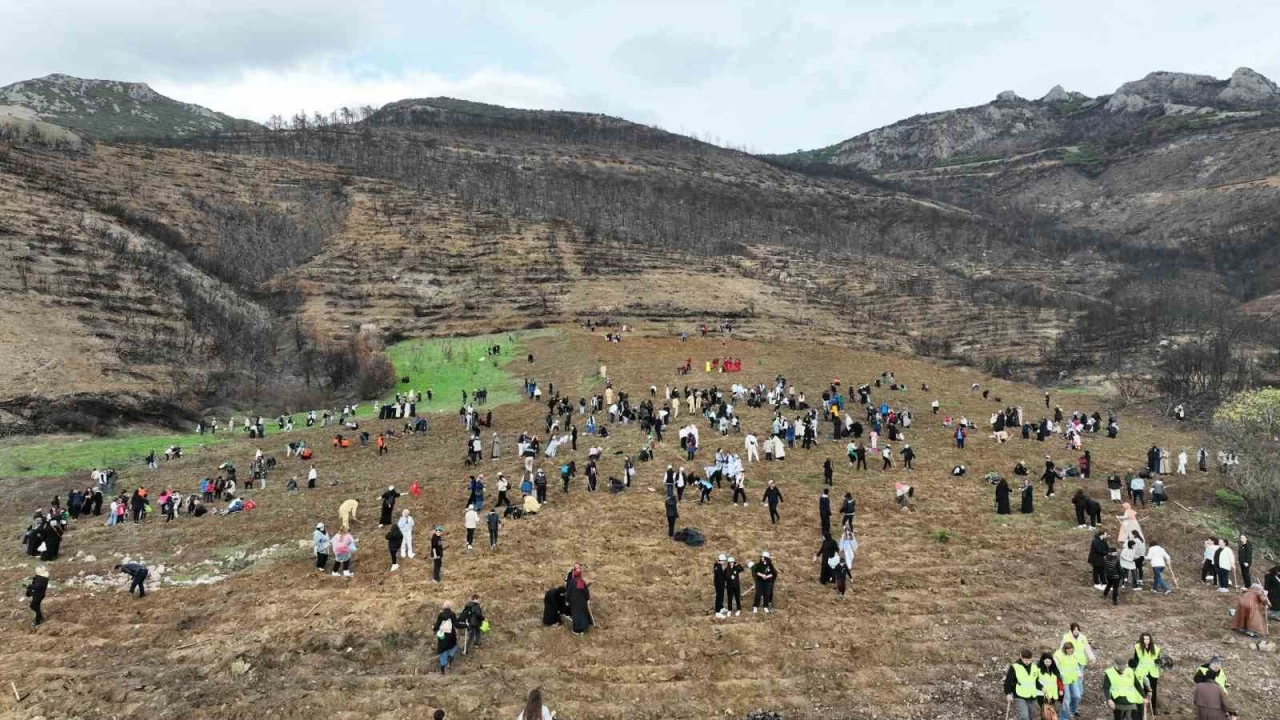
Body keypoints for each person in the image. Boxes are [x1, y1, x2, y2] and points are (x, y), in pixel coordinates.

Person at [1102, 655, 1147, 720]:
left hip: (1131, 702)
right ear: (1115, 665)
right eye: (1121, 668)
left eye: (1124, 667)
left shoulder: (1130, 671)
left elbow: (1137, 685)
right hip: (1118, 704)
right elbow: (1106, 687)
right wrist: (1109, 700)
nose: (1123, 670)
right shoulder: (1109, 673)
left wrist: (1144, 697)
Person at [1003, 648, 1041, 720]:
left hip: (1032, 696)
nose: (1027, 662)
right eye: (1025, 660)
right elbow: (1008, 682)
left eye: (1029, 660)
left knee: (1033, 717)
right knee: (1024, 717)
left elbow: (1036, 681)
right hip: (1020, 695)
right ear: (1021, 657)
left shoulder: (1034, 667)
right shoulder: (1015, 667)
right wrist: (1008, 693)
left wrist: (1042, 687)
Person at [1131, 633, 1162, 715]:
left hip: (1153, 673)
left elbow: (1158, 660)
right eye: (1144, 639)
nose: (1146, 641)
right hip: (1142, 673)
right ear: (1142, 639)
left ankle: (1154, 709)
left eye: (1148, 639)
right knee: (1142, 691)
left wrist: (1158, 662)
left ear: (1150, 639)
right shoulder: (1138, 647)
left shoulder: (1156, 648)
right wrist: (1132, 669)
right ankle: (1140, 709)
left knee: (1153, 691)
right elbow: (1136, 659)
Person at [1055, 641, 1083, 720]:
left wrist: (1079, 673)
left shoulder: (1073, 654)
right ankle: (1063, 716)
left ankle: (1072, 711)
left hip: (1073, 678)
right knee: (1066, 699)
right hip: (1063, 680)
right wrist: (1060, 675)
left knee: (1077, 696)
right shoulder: (1058, 655)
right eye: (1068, 650)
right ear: (1065, 649)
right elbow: (1055, 667)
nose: (1070, 652)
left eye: (1071, 650)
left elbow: (1076, 665)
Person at [566, 564, 593, 635]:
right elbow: (586, 591)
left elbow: (568, 592)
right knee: (582, 615)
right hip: (582, 601)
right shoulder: (582, 581)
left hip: (574, 602)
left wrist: (567, 600)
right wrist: (587, 599)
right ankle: (582, 630)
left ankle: (576, 631)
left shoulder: (572, 582)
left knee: (576, 615)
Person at [434, 601, 458, 674]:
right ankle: (450, 659)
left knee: (443, 651)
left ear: (443, 607)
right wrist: (466, 625)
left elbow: (436, 626)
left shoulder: (440, 615)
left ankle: (442, 670)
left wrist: (435, 629)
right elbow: (456, 625)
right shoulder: (452, 614)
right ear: (450, 607)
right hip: (451, 636)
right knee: (453, 646)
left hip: (442, 636)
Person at [1037, 652, 1063, 720]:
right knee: (1045, 712)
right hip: (1042, 694)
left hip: (1052, 694)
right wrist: (1041, 687)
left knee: (1049, 712)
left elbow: (1059, 680)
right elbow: (1035, 681)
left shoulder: (1054, 669)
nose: (1048, 663)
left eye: (1049, 662)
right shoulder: (1038, 670)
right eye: (1046, 661)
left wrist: (1060, 689)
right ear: (1043, 661)